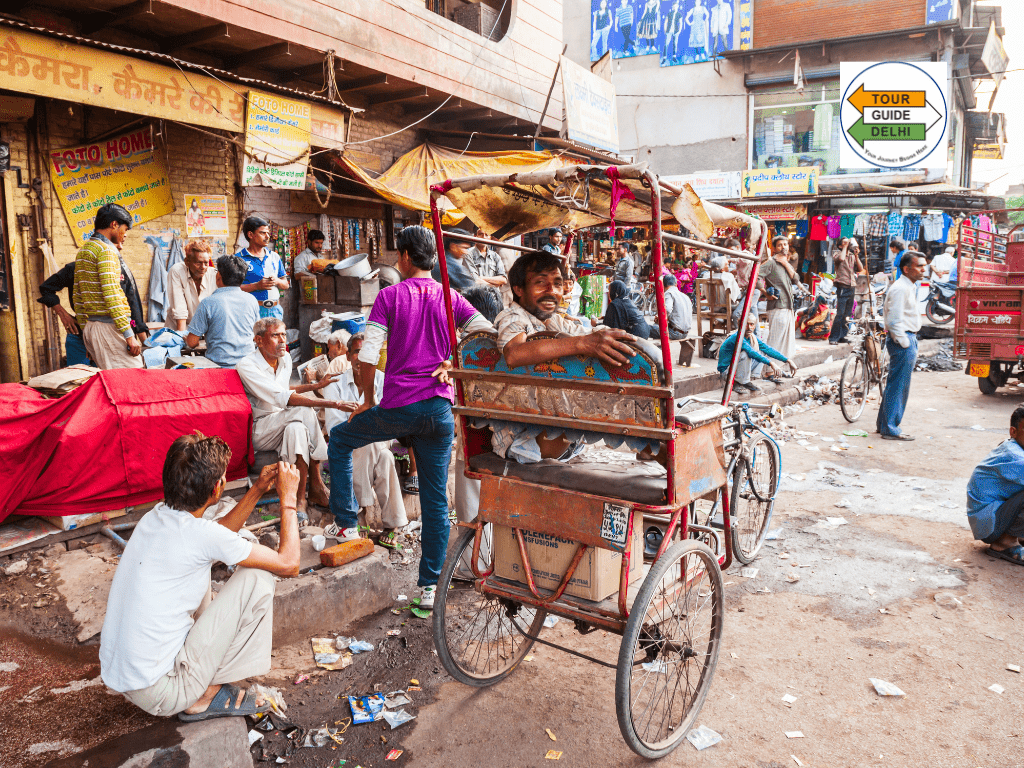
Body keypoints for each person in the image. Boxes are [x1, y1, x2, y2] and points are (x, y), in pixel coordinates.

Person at [328, 225, 494, 610]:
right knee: (437, 501)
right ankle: (428, 589)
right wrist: (453, 362)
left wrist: (368, 399)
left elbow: (368, 355)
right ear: (432, 259)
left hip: (399, 408)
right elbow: (486, 332)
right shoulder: (450, 297)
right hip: (439, 411)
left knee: (340, 439)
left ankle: (346, 522)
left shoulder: (389, 296)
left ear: (404, 256)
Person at [99, 433, 301, 718]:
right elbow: (289, 562)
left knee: (203, 564)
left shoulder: (155, 518)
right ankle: (203, 693)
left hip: (126, 679)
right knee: (259, 578)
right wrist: (289, 499)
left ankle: (195, 682)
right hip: (164, 693)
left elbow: (216, 534)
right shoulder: (199, 535)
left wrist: (256, 490)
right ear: (217, 489)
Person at [493, 250, 640, 463]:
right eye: (541, 283)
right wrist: (582, 344)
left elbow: (585, 333)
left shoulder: (552, 320)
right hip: (524, 438)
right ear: (518, 289)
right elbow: (514, 354)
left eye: (557, 283)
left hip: (557, 426)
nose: (551, 291)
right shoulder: (513, 316)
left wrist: (613, 338)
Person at [238, 318, 354, 512]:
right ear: (258, 341)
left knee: (297, 429)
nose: (282, 340)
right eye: (275, 335)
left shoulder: (285, 359)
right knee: (304, 409)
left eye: (284, 334)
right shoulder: (247, 366)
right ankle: (316, 481)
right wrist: (333, 403)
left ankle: (300, 500)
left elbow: (283, 388)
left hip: (285, 421)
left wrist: (313, 386)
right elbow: (283, 396)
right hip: (261, 430)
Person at [322, 333, 407, 549]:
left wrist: (362, 423)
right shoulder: (336, 383)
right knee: (381, 455)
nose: (361, 358)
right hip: (348, 449)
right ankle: (393, 525)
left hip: (377, 442)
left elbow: (390, 423)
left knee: (377, 448)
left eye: (366, 352)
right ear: (349, 356)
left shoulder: (383, 380)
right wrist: (368, 424)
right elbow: (334, 428)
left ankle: (360, 512)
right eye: (357, 352)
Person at [38, 254, 147, 368]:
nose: (118, 248)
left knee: (114, 376)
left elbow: (134, 305)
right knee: (78, 377)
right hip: (80, 333)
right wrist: (62, 314)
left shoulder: (119, 269)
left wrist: (142, 342)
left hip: (113, 335)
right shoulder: (75, 269)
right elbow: (46, 288)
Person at [73, 203, 144, 369]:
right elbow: (112, 294)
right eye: (124, 230)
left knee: (112, 380)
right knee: (132, 379)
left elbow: (78, 296)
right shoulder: (106, 250)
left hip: (92, 327)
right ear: (114, 225)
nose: (124, 235)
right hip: (109, 328)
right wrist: (129, 335)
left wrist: (86, 334)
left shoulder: (84, 250)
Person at [876, 251, 925, 441]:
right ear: (907, 269)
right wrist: (904, 342)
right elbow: (895, 320)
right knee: (899, 386)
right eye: (919, 265)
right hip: (903, 340)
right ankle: (890, 428)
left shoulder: (908, 286)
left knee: (895, 385)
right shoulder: (900, 288)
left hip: (906, 339)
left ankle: (885, 425)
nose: (923, 269)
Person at [967, 404, 1024, 565]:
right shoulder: (1016, 457)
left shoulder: (1012, 445)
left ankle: (1017, 535)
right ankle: (1004, 543)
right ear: (1013, 431)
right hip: (989, 526)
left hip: (993, 516)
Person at [186, 255, 261, 368]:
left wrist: (192, 340)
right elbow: (255, 333)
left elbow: (191, 342)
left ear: (218, 276)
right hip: (248, 367)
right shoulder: (252, 300)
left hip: (219, 367)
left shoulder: (208, 303)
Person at [433, 228, 502, 323]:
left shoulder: (438, 260)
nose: (466, 252)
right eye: (464, 248)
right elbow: (474, 286)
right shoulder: (452, 266)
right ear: (453, 246)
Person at [718, 314, 797, 394]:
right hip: (727, 372)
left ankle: (745, 381)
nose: (749, 327)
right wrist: (771, 363)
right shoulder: (736, 337)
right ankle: (736, 383)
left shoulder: (752, 337)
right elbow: (751, 352)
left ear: (755, 326)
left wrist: (787, 360)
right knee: (747, 354)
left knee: (762, 351)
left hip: (736, 368)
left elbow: (767, 349)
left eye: (751, 324)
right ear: (739, 325)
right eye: (746, 324)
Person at [237, 216, 288, 320]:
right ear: (250, 234)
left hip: (275, 310)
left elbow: (285, 284)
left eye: (268, 233)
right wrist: (256, 286)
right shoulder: (239, 258)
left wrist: (277, 281)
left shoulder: (274, 256)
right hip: (251, 311)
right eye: (262, 233)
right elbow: (233, 289)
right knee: (254, 337)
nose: (267, 236)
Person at [762, 235, 801, 358]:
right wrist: (765, 293)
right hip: (777, 306)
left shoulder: (785, 262)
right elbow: (756, 275)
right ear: (774, 248)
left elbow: (796, 279)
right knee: (775, 340)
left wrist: (785, 263)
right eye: (780, 245)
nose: (783, 247)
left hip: (788, 306)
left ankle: (780, 369)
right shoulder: (771, 262)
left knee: (787, 342)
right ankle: (769, 371)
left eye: (785, 244)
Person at [165, 239, 216, 332]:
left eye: (206, 263)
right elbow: (179, 307)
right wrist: (181, 337)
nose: (203, 267)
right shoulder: (177, 271)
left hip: (202, 331)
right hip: (178, 328)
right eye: (198, 263)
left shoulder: (213, 274)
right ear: (187, 262)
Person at [828, 237, 865, 345]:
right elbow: (841, 259)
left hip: (852, 285)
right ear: (840, 246)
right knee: (840, 313)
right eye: (844, 243)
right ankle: (833, 338)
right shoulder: (837, 253)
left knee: (847, 314)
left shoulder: (852, 256)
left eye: (848, 242)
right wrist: (845, 247)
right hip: (843, 286)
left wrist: (857, 255)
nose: (847, 244)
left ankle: (842, 336)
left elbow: (860, 268)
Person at [467, 228, 509, 297]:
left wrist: (480, 278)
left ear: (490, 238)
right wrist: (494, 285)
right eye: (481, 234)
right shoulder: (469, 254)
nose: (484, 237)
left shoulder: (495, 256)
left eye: (487, 235)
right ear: (475, 236)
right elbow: (473, 281)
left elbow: (503, 280)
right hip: (476, 298)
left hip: (494, 299)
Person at [649, 274, 691, 340]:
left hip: (675, 333)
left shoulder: (669, 293)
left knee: (648, 328)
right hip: (685, 333)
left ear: (663, 285)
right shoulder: (685, 296)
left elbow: (667, 309)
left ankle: (658, 350)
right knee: (657, 326)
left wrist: (659, 318)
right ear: (676, 284)